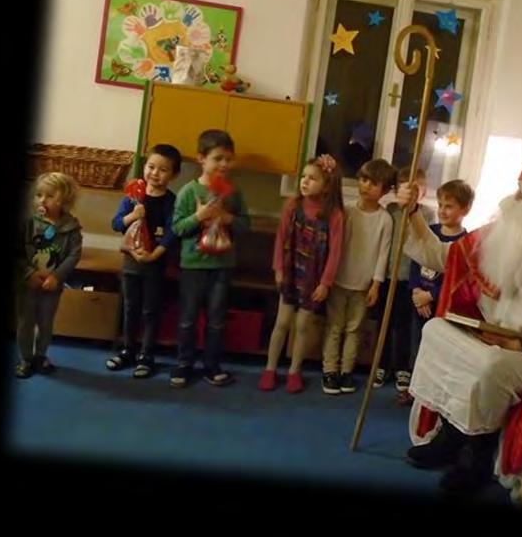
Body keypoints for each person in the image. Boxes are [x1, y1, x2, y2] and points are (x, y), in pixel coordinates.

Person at [398, 129, 522, 492]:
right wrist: (412, 214)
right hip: (486, 339)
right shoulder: (499, 233)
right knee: (435, 331)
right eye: (516, 190)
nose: (512, 200)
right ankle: (452, 432)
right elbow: (444, 257)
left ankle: (476, 455)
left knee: (492, 367)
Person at [170, 129, 251, 388]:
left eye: (228, 159)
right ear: (201, 159)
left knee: (217, 319)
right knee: (188, 318)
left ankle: (211, 365)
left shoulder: (234, 194)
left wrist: (227, 218)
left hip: (222, 265)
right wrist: (200, 216)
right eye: (218, 158)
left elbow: (245, 226)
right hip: (193, 265)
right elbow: (177, 229)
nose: (224, 164)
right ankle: (184, 364)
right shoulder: (188, 192)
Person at [258, 154, 345, 393]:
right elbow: (281, 238)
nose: (305, 182)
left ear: (327, 185)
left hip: (312, 277)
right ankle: (270, 368)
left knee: (303, 325)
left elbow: (335, 252)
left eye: (312, 178)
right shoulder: (292, 206)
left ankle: (295, 370)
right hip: (290, 271)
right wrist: (278, 269)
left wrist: (325, 283)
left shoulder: (334, 215)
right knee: (282, 322)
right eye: (303, 177)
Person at [106, 144, 182, 378]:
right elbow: (116, 224)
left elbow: (172, 232)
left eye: (163, 170)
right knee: (130, 309)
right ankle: (127, 350)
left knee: (151, 311)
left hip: (155, 265)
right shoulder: (132, 197)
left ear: (174, 175)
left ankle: (146, 355)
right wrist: (132, 216)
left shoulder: (171, 201)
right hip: (131, 264)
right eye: (151, 167)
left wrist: (154, 254)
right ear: (144, 168)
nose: (155, 173)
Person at [321, 158, 396, 395]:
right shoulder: (348, 211)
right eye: (364, 180)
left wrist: (376, 284)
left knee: (355, 329)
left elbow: (383, 254)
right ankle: (329, 370)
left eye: (374, 184)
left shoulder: (385, 219)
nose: (366, 186)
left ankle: (346, 371)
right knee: (334, 326)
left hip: (364, 285)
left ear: (384, 190)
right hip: (339, 279)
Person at [402, 179, 473, 399]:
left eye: (449, 206)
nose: (442, 210)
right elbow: (419, 257)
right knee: (416, 343)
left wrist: (431, 296)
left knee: (437, 349)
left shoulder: (467, 242)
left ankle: (429, 388)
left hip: (440, 304)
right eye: (440, 205)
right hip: (419, 300)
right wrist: (416, 292)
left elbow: (456, 278)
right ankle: (414, 385)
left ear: (465, 209)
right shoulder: (431, 230)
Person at [374, 166, 436, 393]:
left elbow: (429, 247)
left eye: (416, 188)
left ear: (424, 190)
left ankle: (402, 367)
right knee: (384, 322)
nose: (410, 192)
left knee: (404, 326)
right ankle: (381, 365)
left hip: (410, 280)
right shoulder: (390, 210)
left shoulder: (427, 215)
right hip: (389, 275)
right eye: (404, 188)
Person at [16, 172, 83, 378]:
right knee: (26, 322)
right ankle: (26, 358)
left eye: (49, 196)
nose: (42, 200)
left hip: (52, 287)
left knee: (46, 323)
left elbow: (74, 254)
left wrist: (57, 277)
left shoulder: (71, 227)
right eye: (39, 195)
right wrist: (29, 274)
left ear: (65, 200)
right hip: (28, 285)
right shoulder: (28, 223)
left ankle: (40, 355)